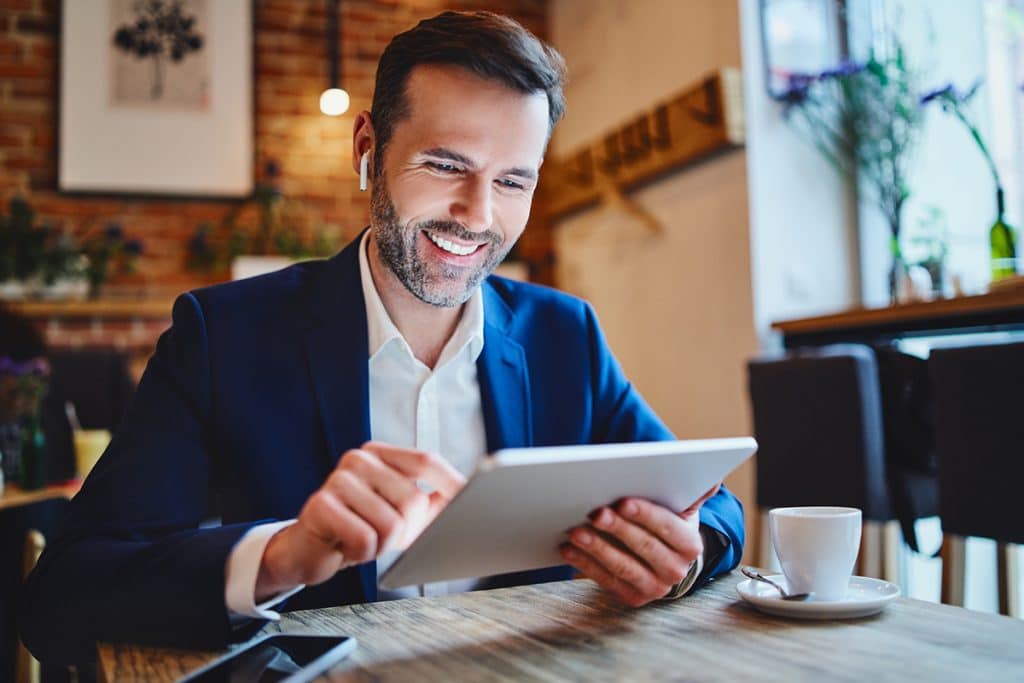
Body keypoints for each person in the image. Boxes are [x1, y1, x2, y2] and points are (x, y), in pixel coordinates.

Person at [20, 11, 744, 666]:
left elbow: (707, 503)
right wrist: (280, 555)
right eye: (445, 165)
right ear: (368, 146)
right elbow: (64, 595)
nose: (477, 215)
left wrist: (684, 552)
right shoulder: (224, 335)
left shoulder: (565, 334)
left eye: (514, 181)